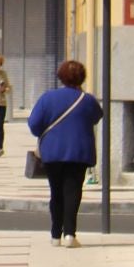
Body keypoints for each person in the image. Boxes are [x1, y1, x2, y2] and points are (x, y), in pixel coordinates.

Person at [27, 60, 104, 246]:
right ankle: (70, 234)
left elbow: (34, 124)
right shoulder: (87, 100)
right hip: (79, 152)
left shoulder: (48, 98)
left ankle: (55, 234)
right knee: (73, 191)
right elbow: (97, 116)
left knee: (56, 192)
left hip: (53, 153)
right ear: (82, 77)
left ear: (61, 77)